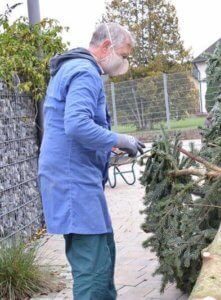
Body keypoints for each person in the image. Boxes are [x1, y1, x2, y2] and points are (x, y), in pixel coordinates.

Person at [38, 23, 144, 299]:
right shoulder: (85, 72)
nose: (125, 62)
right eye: (123, 54)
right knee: (93, 264)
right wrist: (121, 139)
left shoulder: (72, 68)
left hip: (71, 175)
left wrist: (107, 151)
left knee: (103, 249)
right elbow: (76, 125)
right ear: (107, 46)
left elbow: (67, 129)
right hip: (73, 180)